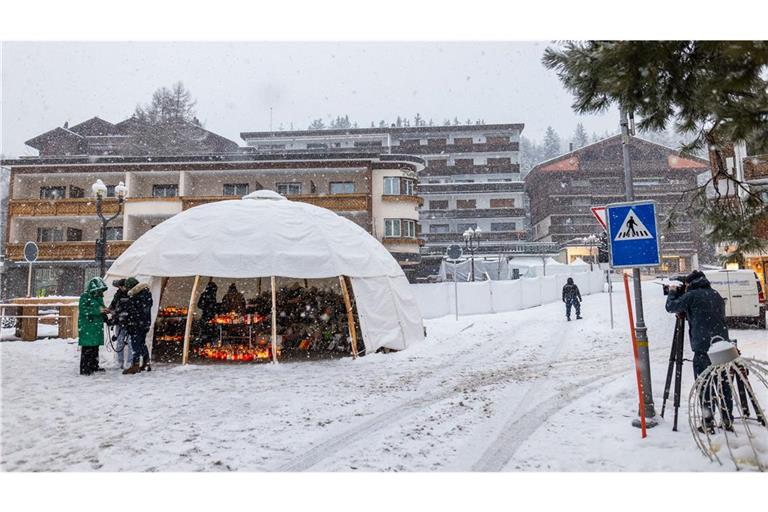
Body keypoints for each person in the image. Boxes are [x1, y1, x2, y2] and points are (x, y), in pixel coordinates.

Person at [665, 270, 734, 430]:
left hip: (704, 349)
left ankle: (707, 422)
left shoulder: (692, 296)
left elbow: (671, 307)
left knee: (705, 385)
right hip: (722, 346)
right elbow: (705, 315)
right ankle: (727, 420)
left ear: (691, 284)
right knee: (723, 384)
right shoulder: (715, 294)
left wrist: (673, 291)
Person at [78, 277, 109, 375]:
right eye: (98, 290)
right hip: (87, 326)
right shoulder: (85, 296)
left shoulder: (99, 297)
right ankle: (85, 368)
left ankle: (94, 365)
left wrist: (105, 314)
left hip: (96, 326)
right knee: (87, 348)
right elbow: (83, 310)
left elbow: (101, 308)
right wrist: (98, 311)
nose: (99, 292)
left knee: (95, 347)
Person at [122, 277, 154, 375]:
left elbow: (136, 311)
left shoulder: (138, 296)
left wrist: (131, 320)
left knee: (136, 343)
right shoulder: (145, 294)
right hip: (144, 323)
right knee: (141, 343)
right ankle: (146, 362)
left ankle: (135, 365)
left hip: (138, 324)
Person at [109, 279, 132, 369]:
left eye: (122, 286)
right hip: (119, 322)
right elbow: (113, 305)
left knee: (130, 343)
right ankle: (120, 361)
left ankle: (130, 362)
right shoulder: (118, 294)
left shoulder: (132, 293)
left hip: (130, 322)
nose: (122, 288)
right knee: (119, 342)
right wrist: (111, 311)